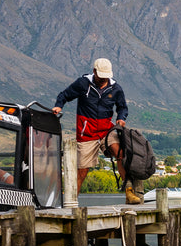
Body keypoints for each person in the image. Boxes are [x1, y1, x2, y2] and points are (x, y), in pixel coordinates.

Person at [53, 57, 140, 203]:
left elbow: (122, 107)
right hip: (87, 132)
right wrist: (58, 105)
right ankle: (70, 201)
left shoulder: (115, 88)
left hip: (106, 130)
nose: (103, 79)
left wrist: (122, 117)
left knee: (121, 153)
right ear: (94, 71)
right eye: (101, 76)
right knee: (82, 169)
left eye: (106, 77)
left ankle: (129, 192)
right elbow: (65, 95)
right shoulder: (83, 84)